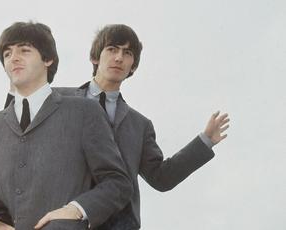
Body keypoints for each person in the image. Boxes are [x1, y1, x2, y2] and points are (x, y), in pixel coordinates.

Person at [0, 21, 133, 230]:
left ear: (48, 59)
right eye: (7, 54)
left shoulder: (85, 112)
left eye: (24, 50)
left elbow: (118, 183)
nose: (13, 58)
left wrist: (77, 208)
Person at [54, 24, 230, 229]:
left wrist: (205, 140)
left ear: (133, 66)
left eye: (127, 53)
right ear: (95, 57)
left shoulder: (139, 125)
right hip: (57, 219)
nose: (119, 57)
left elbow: (161, 178)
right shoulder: (57, 101)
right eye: (112, 49)